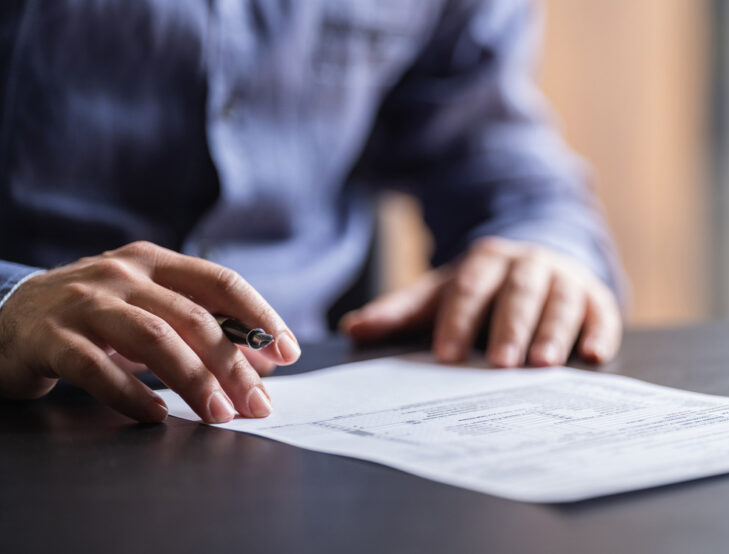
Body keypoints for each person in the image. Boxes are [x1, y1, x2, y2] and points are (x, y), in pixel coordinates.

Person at [0, 1, 625, 425]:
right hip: (30, 410)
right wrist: (12, 301)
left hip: (301, 416)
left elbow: (494, 147)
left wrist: (545, 247)